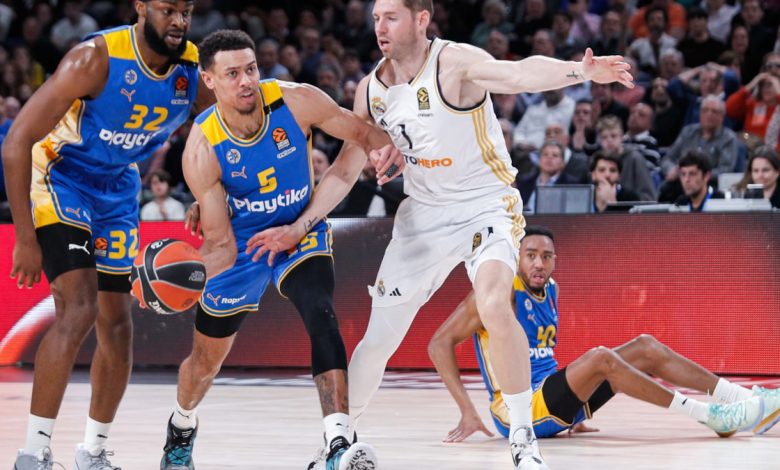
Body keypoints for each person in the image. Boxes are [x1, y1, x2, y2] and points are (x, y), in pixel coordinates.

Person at [244, 1, 633, 468]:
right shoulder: (371, 89)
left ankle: (522, 440)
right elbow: (346, 170)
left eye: (391, 17)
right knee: (378, 339)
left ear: (421, 20)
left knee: (494, 302)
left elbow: (518, 75)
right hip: (424, 215)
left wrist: (580, 71)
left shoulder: (453, 63)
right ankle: (336, 443)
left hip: (485, 202)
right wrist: (299, 226)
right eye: (375, 18)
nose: (380, 27)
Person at [159, 30, 403, 470]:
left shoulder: (296, 100)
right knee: (204, 364)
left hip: (300, 226)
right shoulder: (202, 147)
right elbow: (221, 248)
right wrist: (178, 277)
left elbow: (365, 134)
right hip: (242, 244)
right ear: (209, 80)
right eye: (232, 74)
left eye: (251, 69)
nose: (246, 81)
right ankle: (181, 427)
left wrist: (388, 148)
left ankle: (337, 444)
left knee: (320, 311)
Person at [2, 1, 209, 469]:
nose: (179, 21)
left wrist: (204, 193)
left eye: (187, 11)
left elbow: (213, 136)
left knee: (117, 324)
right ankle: (33, 453)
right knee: (79, 307)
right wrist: (25, 237)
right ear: (141, 7)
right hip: (61, 177)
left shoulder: (193, 70)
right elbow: (16, 142)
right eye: (168, 9)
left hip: (117, 189)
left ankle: (92, 452)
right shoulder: (94, 58)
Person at [427, 226, 778, 443]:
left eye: (546, 257)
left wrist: (575, 404)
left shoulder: (552, 289)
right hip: (518, 412)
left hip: (552, 400)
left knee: (645, 346)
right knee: (601, 359)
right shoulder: (497, 293)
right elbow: (439, 343)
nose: (539, 264)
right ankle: (709, 415)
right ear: (516, 259)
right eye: (530, 256)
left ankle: (740, 397)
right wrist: (467, 409)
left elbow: (543, 358)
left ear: (555, 260)